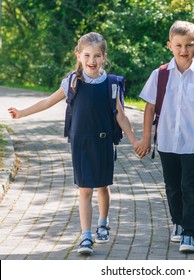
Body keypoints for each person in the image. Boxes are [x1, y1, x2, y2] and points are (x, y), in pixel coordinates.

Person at [8, 32, 139, 255]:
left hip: (103, 142)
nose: (92, 60)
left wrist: (135, 140)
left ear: (104, 57)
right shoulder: (72, 82)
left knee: (103, 187)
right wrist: (22, 113)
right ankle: (86, 236)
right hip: (80, 143)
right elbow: (48, 101)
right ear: (78, 56)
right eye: (87, 55)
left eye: (97, 55)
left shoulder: (111, 84)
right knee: (85, 189)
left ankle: (103, 223)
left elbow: (120, 115)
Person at [135, 20, 194, 253]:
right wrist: (144, 139)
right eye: (179, 45)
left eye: (189, 45)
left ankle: (189, 233)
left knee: (189, 188)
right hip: (166, 142)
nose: (184, 50)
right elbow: (150, 108)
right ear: (170, 45)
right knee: (172, 187)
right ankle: (178, 222)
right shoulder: (160, 75)